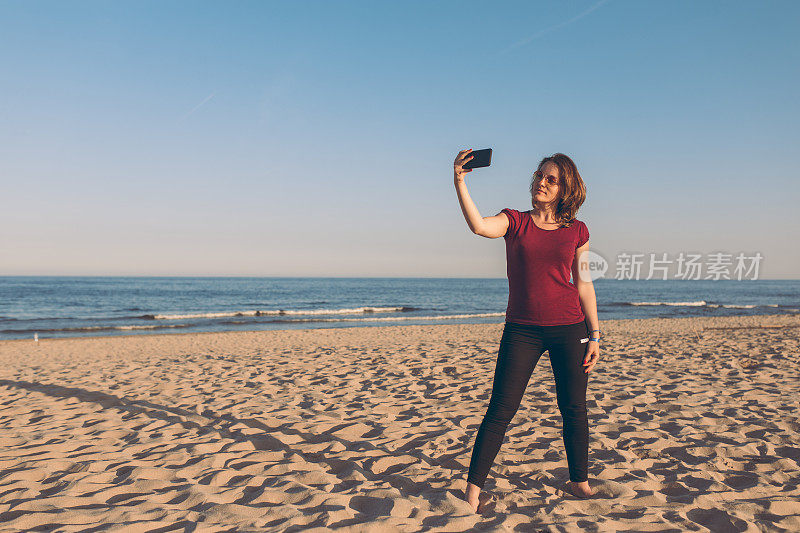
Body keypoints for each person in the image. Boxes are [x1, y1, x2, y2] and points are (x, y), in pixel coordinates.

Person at [453, 149, 601, 513]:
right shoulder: (515, 221)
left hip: (570, 328)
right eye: (539, 175)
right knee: (501, 408)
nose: (541, 182)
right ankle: (472, 492)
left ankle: (578, 482)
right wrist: (459, 180)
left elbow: (584, 284)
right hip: (522, 330)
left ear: (565, 188)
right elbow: (479, 226)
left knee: (574, 408)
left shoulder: (577, 230)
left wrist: (595, 334)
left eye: (551, 179)